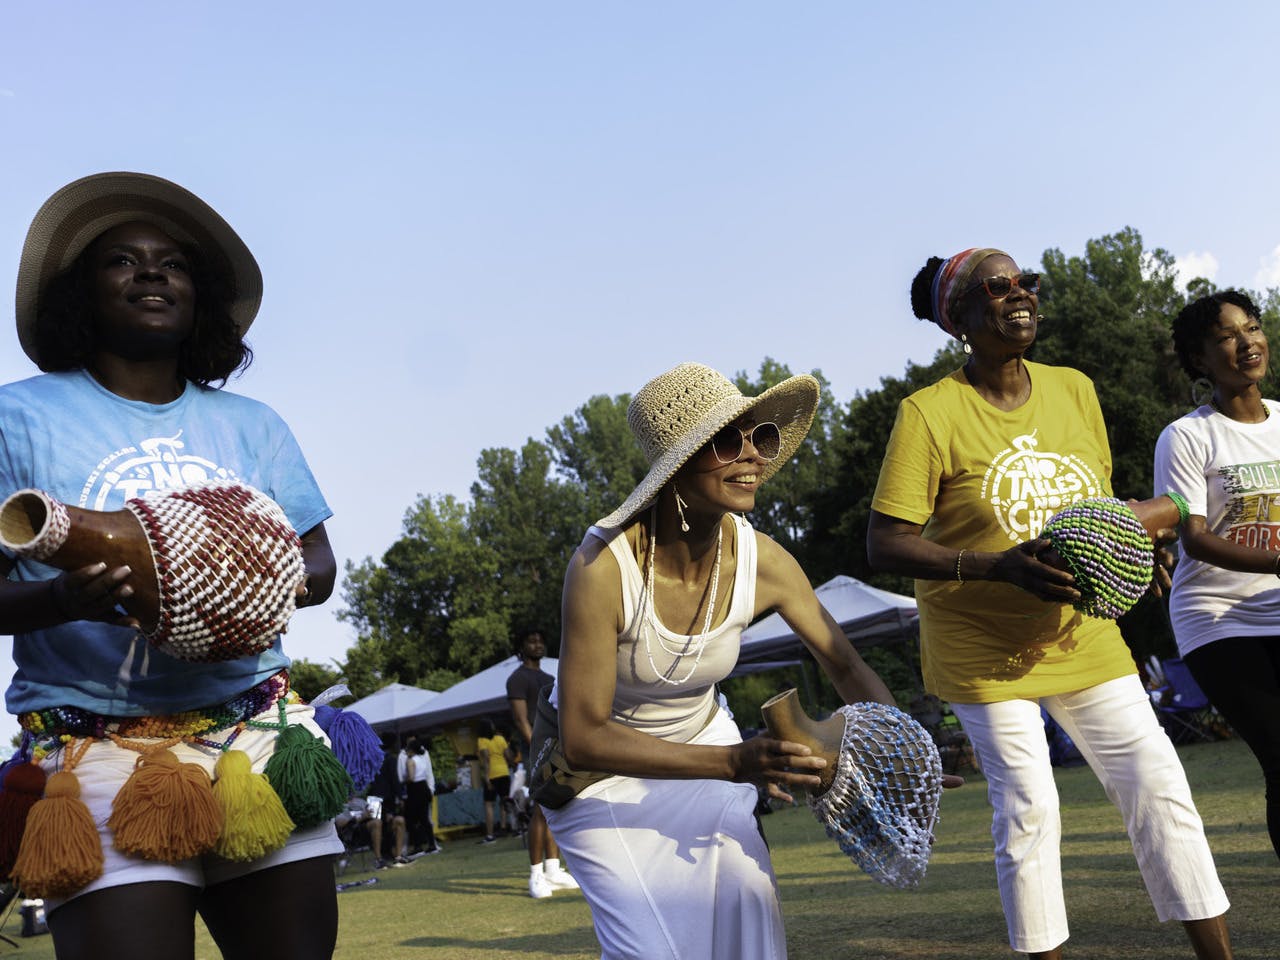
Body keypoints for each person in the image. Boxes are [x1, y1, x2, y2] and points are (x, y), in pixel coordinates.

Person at [0, 172, 342, 959]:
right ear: (82, 296)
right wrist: (60, 602)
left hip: (257, 736)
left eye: (174, 263)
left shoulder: (253, 424)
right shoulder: (18, 417)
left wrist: (260, 578)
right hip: (96, 752)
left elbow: (318, 558)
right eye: (122, 260)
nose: (152, 272)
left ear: (201, 296)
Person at [865, 248, 1233, 959]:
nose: (1018, 293)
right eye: (995, 288)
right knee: (1030, 806)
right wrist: (997, 566)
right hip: (982, 647)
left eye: (1025, 281)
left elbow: (1096, 504)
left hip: (1080, 635)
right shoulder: (929, 413)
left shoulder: (1073, 389)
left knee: (1159, 783)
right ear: (960, 318)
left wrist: (1132, 550)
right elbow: (885, 543)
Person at [550, 362, 902, 959]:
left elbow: (842, 665)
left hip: (710, 753)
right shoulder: (601, 567)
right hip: (600, 780)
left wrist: (898, 746)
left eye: (760, 437)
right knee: (650, 951)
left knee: (747, 911)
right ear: (676, 466)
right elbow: (582, 736)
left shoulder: (764, 560)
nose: (753, 457)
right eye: (725, 441)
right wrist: (734, 761)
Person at [1154, 289, 1280, 860]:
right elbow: (1195, 537)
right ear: (1201, 360)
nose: (1246, 342)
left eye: (1251, 328)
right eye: (1227, 336)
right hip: (1220, 621)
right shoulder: (1187, 436)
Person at [507, 629, 578, 898]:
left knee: (554, 807)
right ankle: (536, 874)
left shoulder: (550, 677)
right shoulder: (517, 679)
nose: (537, 644)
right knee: (540, 809)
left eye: (540, 640)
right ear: (521, 646)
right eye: (530, 640)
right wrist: (540, 747)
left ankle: (552, 868)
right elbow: (521, 719)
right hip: (537, 750)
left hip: (558, 746)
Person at [403, 737, 441, 855]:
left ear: (411, 750)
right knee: (425, 819)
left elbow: (411, 777)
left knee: (412, 819)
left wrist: (404, 780)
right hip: (424, 787)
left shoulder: (410, 761)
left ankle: (417, 845)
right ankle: (432, 844)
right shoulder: (422, 759)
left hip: (414, 790)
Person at [476, 718, 511, 843]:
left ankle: (490, 835)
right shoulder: (500, 739)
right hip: (504, 773)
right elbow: (508, 756)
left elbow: (486, 760)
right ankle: (503, 828)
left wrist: (486, 778)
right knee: (504, 801)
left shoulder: (481, 741)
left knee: (489, 804)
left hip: (491, 774)